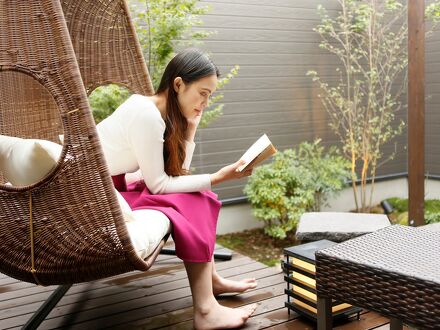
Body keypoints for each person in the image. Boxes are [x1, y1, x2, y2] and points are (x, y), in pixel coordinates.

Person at [97, 48, 257, 329]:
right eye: (203, 93)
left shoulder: (160, 115)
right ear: (179, 84)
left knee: (197, 195)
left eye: (210, 96)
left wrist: (191, 130)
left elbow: (176, 172)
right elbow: (160, 185)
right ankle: (206, 310)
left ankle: (212, 282)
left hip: (119, 185)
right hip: (100, 193)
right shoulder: (145, 114)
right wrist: (219, 176)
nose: (205, 103)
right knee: (196, 199)